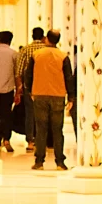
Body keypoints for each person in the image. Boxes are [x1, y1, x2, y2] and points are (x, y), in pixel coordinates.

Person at [28, 28, 70, 171]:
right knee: (58, 130)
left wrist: (30, 91)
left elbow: (29, 75)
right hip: (58, 95)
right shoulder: (63, 56)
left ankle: (39, 161)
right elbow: (68, 78)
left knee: (41, 129)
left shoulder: (36, 55)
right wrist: (71, 97)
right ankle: (60, 162)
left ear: (46, 39)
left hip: (39, 94)